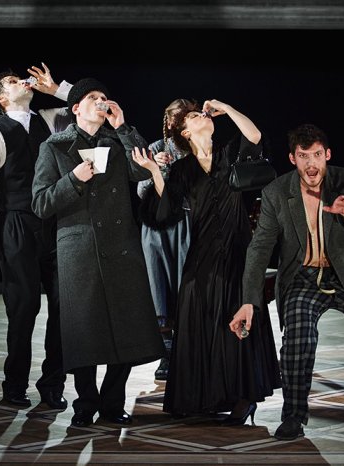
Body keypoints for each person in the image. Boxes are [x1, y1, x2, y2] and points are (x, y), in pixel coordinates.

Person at [229, 123, 344, 440]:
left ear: (327, 154)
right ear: (292, 158)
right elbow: (259, 249)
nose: (311, 164)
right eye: (303, 156)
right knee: (299, 339)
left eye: (316, 155)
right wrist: (248, 301)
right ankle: (293, 416)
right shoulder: (276, 192)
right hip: (302, 278)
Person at [133, 99, 281, 424]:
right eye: (193, 116)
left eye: (202, 113)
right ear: (185, 132)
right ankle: (206, 397)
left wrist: (227, 108)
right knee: (197, 315)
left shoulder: (230, 154)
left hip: (239, 253)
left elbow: (254, 136)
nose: (201, 115)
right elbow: (168, 211)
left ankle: (244, 399)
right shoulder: (183, 169)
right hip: (202, 255)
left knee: (238, 321)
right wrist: (154, 171)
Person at [31, 77, 165, 428]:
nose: (102, 101)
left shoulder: (117, 142)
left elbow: (143, 169)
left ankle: (112, 403)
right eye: (93, 97)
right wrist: (74, 179)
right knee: (84, 334)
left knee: (128, 328)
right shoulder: (54, 147)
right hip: (79, 251)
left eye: (105, 97)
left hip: (121, 248)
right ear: (76, 108)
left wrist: (123, 128)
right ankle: (85, 404)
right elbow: (40, 203)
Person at [0, 63, 72, 410]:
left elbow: (90, 106)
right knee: (24, 307)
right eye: (12, 81)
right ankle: (14, 384)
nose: (22, 81)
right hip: (17, 224)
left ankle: (53, 384)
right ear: (1, 98)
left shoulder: (50, 119)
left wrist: (55, 89)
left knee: (63, 307)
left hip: (53, 222)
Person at [136, 99, 192, 381]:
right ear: (169, 122)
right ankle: (166, 353)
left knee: (185, 286)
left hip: (186, 224)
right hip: (158, 228)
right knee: (158, 287)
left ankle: (188, 349)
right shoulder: (156, 148)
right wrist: (154, 169)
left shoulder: (198, 148)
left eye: (186, 118)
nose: (180, 124)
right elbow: (141, 190)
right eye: (176, 119)